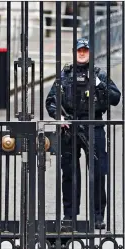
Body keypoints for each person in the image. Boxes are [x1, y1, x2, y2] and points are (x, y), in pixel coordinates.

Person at [45, 38, 121, 229]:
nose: (82, 53)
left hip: (93, 126)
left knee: (97, 172)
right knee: (70, 174)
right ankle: (70, 216)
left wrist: (99, 84)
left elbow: (115, 98)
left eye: (85, 50)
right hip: (69, 127)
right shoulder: (65, 75)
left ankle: (98, 217)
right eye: (79, 50)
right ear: (74, 52)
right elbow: (51, 101)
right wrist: (59, 118)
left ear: (90, 53)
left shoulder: (99, 75)